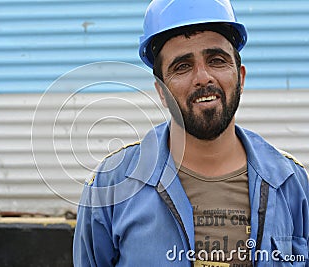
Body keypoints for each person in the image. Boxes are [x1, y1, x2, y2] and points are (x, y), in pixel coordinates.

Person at [73, 0, 309, 266]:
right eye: (182, 66)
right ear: (161, 91)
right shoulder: (111, 187)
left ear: (241, 78)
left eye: (217, 60)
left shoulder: (292, 184)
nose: (203, 77)